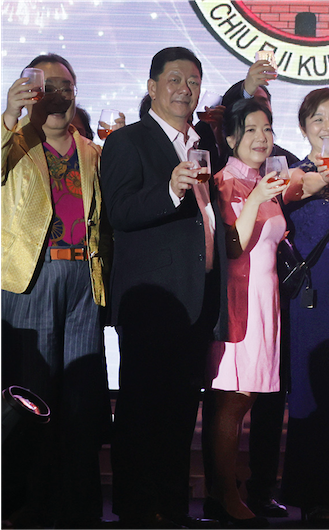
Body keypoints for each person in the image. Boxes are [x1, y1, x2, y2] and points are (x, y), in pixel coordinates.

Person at [101, 46, 227, 530]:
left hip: (197, 297)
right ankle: (136, 508)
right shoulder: (128, 142)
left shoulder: (206, 142)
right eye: (174, 79)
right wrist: (171, 189)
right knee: (140, 411)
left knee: (180, 413)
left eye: (193, 81)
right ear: (152, 87)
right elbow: (121, 213)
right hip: (152, 299)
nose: (184, 88)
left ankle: (172, 507)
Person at [0, 54, 110, 530]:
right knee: (30, 397)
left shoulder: (92, 152)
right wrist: (8, 118)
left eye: (66, 85)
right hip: (32, 278)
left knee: (80, 399)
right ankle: (20, 502)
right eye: (46, 85)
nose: (58, 93)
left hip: (84, 280)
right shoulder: (15, 143)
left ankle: (74, 504)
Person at [203, 98, 294, 526]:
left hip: (265, 302)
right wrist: (257, 196)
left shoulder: (263, 181)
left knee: (246, 400)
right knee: (230, 404)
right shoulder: (225, 182)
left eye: (268, 129)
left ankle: (224, 492)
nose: (262, 137)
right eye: (252, 130)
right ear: (233, 137)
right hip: (237, 303)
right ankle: (224, 494)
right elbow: (233, 245)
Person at [279, 87, 329, 523]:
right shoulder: (295, 176)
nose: (328, 128)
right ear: (304, 128)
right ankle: (312, 495)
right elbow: (288, 200)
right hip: (312, 301)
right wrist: (321, 178)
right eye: (318, 120)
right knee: (312, 394)